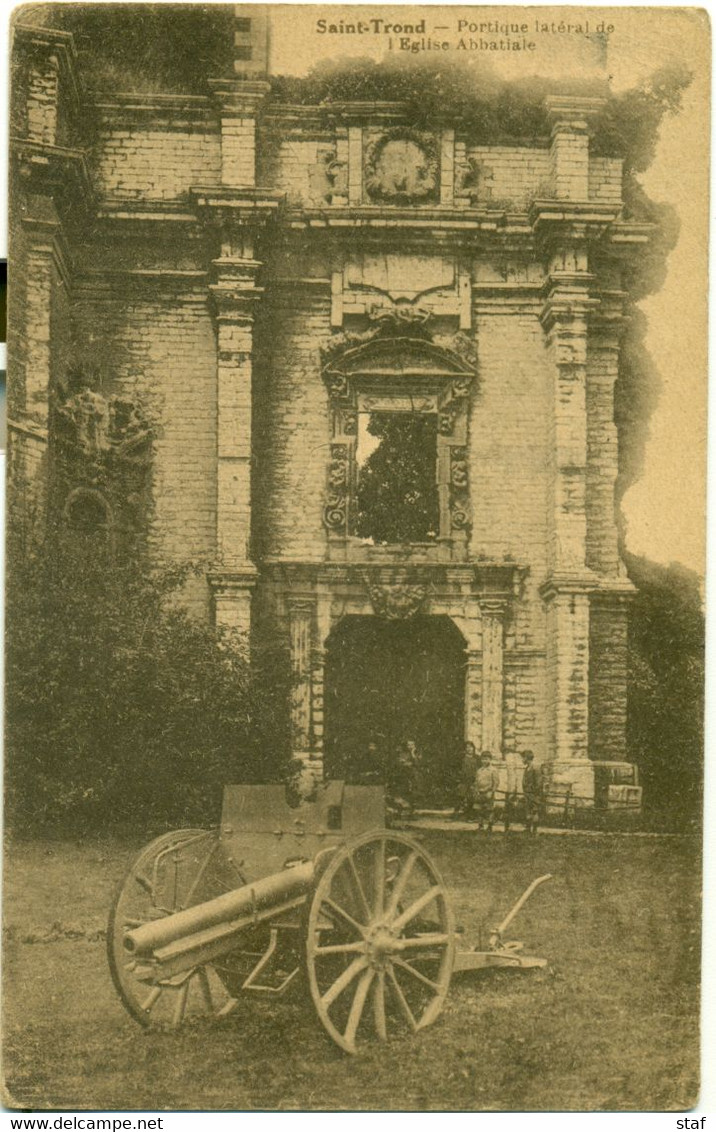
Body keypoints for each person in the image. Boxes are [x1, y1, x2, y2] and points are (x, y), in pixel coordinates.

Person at [474, 751, 499, 831]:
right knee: (479, 809)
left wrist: (492, 791)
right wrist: (476, 790)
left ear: (490, 760)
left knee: (489, 810)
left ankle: (489, 826)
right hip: (480, 792)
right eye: (483, 759)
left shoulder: (493, 770)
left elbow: (496, 782)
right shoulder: (479, 770)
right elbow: (476, 781)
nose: (484, 761)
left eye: (486, 759)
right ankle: (480, 825)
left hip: (488, 793)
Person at [456, 740, 479, 819]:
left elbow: (479, 769)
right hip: (464, 780)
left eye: (471, 747)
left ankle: (470, 814)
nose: (469, 749)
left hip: (473, 781)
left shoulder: (477, 758)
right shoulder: (462, 758)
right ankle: (457, 813)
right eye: (467, 747)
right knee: (460, 796)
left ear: (473, 748)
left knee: (471, 798)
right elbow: (457, 768)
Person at [521, 749, 542, 835]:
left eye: (523, 758)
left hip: (534, 794)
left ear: (527, 758)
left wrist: (533, 792)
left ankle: (535, 830)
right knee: (528, 811)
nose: (522, 760)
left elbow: (538, 782)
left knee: (534, 811)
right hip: (527, 793)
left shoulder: (535, 768)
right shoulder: (527, 768)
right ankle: (528, 828)